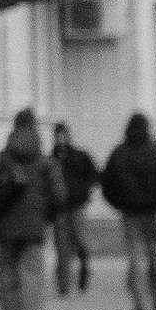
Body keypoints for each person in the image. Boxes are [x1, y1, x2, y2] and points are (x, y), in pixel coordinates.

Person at [0, 107, 57, 310]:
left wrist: (0, 216)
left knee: (7, 279)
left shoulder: (0, 160)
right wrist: (45, 217)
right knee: (33, 280)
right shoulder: (45, 162)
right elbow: (59, 195)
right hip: (34, 230)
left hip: (6, 230)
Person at [101, 110, 156, 310]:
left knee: (135, 258)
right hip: (153, 210)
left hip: (130, 212)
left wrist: (117, 203)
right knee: (155, 256)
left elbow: (107, 183)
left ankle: (139, 301)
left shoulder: (119, 153)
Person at [50, 123, 98, 295]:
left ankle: (84, 266)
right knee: (61, 246)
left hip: (76, 205)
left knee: (79, 240)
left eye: (63, 135)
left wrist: (83, 191)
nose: (60, 139)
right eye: (57, 135)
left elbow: (93, 175)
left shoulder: (79, 156)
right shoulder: (51, 158)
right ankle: (63, 284)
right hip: (59, 208)